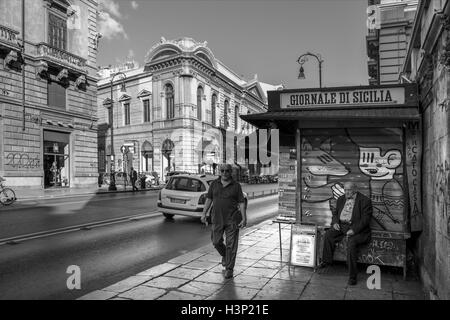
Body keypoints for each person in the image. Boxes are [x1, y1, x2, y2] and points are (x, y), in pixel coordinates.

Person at [319, 181, 373, 285]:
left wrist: (354, 230)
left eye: (349, 190)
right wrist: (335, 223)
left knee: (351, 243)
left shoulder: (365, 201)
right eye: (345, 190)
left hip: (358, 229)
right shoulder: (341, 199)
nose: (347, 192)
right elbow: (335, 213)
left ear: (355, 189)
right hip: (342, 226)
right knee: (329, 234)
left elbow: (365, 220)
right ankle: (327, 261)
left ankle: (352, 276)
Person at [201, 163, 247, 279]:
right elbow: (209, 199)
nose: (225, 173)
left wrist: (244, 217)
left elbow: (241, 202)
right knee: (216, 242)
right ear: (219, 172)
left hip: (232, 219)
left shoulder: (236, 186)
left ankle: (229, 268)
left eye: (227, 171)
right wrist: (204, 213)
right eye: (222, 171)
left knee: (231, 245)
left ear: (230, 172)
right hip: (216, 218)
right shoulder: (214, 184)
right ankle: (226, 256)